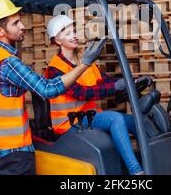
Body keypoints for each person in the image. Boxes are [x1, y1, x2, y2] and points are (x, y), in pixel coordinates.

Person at [0, 0, 106, 175]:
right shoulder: (7, 62)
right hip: (13, 153)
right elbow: (48, 89)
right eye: (16, 23)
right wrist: (85, 63)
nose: (22, 26)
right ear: (0, 30)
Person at [45, 15, 150, 175]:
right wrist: (115, 87)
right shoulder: (55, 69)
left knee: (137, 121)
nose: (73, 35)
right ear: (57, 40)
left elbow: (103, 81)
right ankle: (137, 172)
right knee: (115, 119)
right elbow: (81, 93)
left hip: (88, 116)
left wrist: (131, 82)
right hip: (69, 122)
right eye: (67, 33)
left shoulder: (85, 61)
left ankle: (150, 162)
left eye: (73, 31)